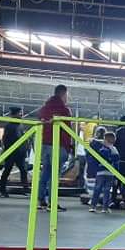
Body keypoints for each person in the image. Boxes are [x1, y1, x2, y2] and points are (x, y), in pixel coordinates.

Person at [38, 84, 74, 212]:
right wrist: (69, 146)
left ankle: (41, 200)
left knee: (45, 173)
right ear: (63, 94)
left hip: (44, 144)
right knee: (54, 175)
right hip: (58, 145)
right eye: (67, 95)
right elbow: (68, 129)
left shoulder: (44, 109)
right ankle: (52, 203)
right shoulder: (64, 110)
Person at [0, 107, 30, 197]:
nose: (21, 115)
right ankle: (2, 190)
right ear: (15, 114)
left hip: (19, 153)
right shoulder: (10, 126)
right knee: (7, 170)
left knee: (23, 170)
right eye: (19, 113)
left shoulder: (20, 125)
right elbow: (5, 139)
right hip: (12, 152)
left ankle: (25, 189)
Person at [89, 132, 119, 213]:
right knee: (107, 191)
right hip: (110, 173)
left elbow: (96, 159)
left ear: (105, 140)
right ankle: (104, 208)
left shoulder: (101, 149)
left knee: (97, 189)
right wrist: (116, 176)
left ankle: (93, 206)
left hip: (100, 172)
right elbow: (116, 162)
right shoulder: (114, 150)